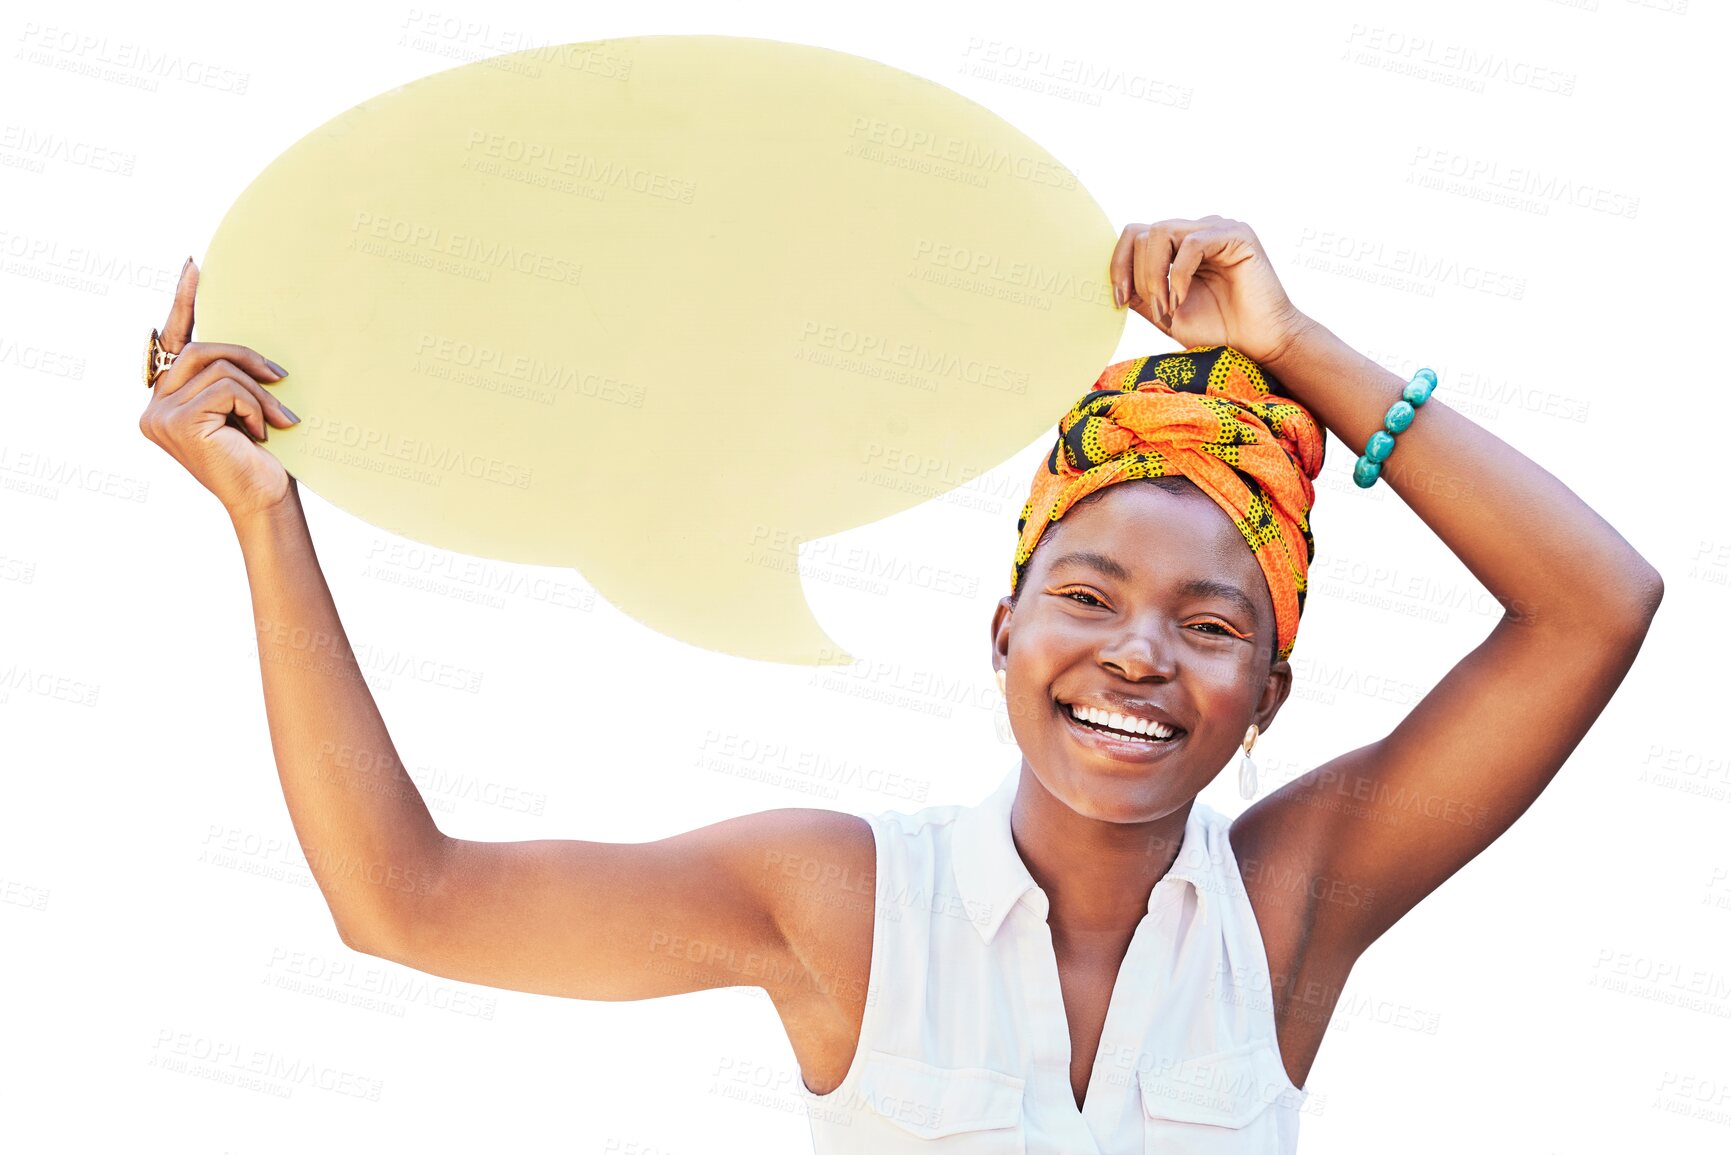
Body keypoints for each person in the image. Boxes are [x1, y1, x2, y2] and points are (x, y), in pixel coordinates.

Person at [138, 216, 1663, 1153]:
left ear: (1268, 694)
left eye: (1211, 626)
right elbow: (410, 902)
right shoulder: (842, 906)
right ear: (1001, 631)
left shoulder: (1291, 911)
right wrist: (268, 521)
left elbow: (1596, 607)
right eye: (1088, 595)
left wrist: (1297, 345)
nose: (1139, 650)